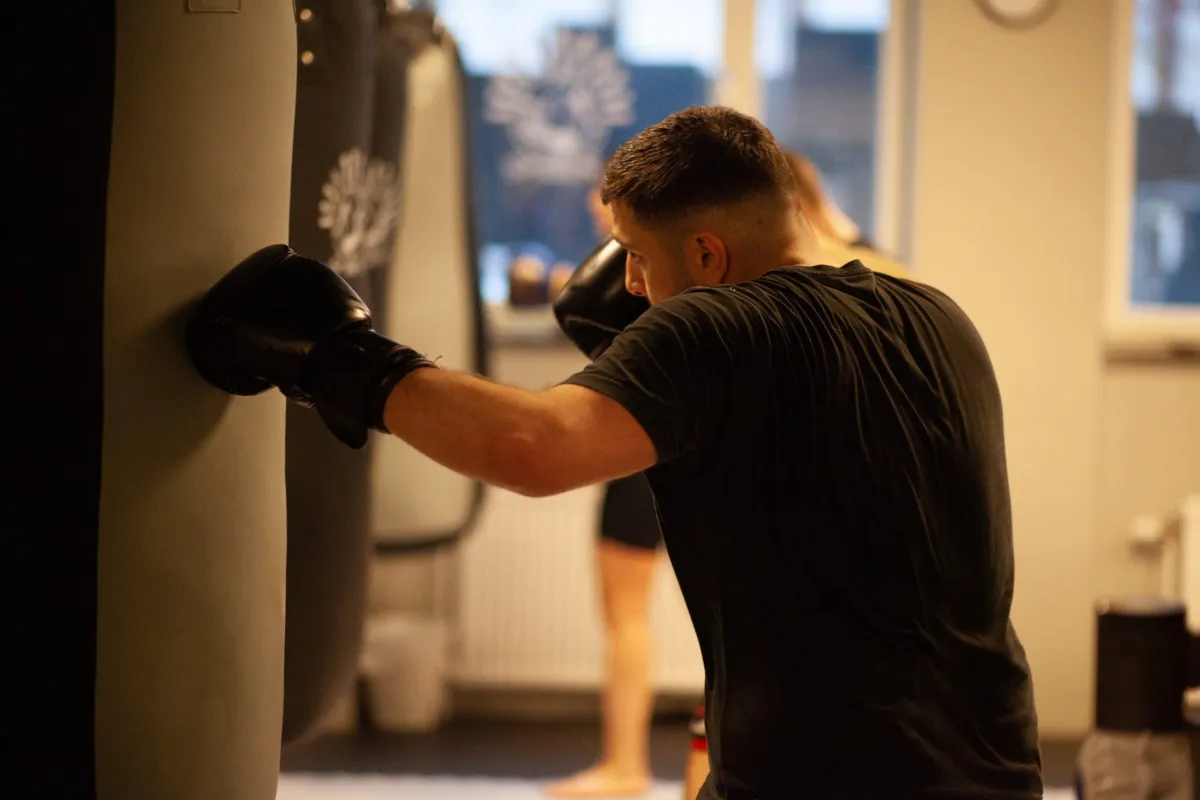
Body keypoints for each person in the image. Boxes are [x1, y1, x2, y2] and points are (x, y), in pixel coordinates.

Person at [187, 106, 1044, 799]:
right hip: (995, 769)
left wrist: (341, 361)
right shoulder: (937, 318)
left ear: (707, 253)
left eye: (638, 256)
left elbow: (529, 446)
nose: (629, 285)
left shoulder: (721, 327)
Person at [678, 149, 917, 800]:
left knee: (738, 716)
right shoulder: (894, 280)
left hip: (816, 558)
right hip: (881, 558)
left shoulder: (808, 289)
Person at [546, 182, 666, 799]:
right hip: (678, 452)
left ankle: (625, 768)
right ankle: (625, 764)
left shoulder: (647, 273)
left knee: (626, 619)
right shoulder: (702, 275)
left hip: (642, 451)